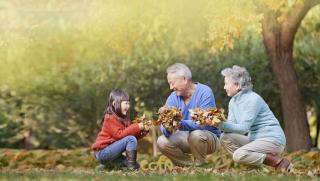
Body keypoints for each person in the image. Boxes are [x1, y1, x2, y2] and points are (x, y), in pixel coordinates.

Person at [209, 65, 293, 172]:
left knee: (238, 155)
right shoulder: (233, 102)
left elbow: (244, 128)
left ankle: (279, 161)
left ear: (237, 85)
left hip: (272, 140)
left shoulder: (253, 99)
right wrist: (215, 121)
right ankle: (256, 169)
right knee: (225, 137)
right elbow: (230, 125)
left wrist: (219, 124)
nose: (224, 87)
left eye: (226, 84)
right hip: (255, 140)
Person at [157, 63, 221, 166]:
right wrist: (168, 127)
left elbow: (202, 124)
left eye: (172, 83)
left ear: (184, 79)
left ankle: (200, 164)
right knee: (161, 141)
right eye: (169, 84)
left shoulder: (205, 92)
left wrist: (179, 124)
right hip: (185, 138)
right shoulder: (173, 97)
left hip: (208, 138)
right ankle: (189, 166)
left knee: (195, 134)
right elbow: (164, 127)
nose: (170, 87)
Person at [91, 89, 149, 170]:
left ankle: (107, 167)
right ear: (115, 103)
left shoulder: (124, 119)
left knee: (137, 166)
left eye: (129, 103)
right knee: (132, 162)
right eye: (125, 103)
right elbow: (120, 135)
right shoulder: (109, 117)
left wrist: (142, 131)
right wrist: (137, 126)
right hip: (103, 152)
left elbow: (129, 136)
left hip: (113, 153)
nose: (128, 106)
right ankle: (131, 169)